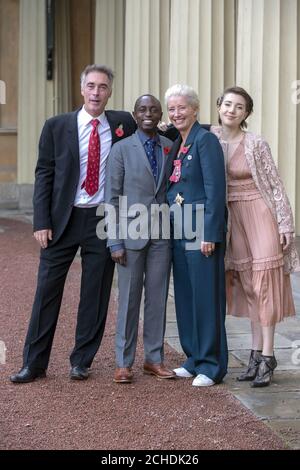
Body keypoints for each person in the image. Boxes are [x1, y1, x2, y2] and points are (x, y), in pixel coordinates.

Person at [10, 64, 136, 383]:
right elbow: (44, 175)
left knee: (95, 293)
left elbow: (155, 128)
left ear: (110, 92)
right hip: (62, 220)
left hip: (101, 220)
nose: (96, 92)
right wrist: (41, 221)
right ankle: (34, 363)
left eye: (103, 87)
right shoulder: (56, 126)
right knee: (47, 291)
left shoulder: (123, 123)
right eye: (91, 86)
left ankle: (82, 360)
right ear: (82, 89)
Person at [211, 86, 300, 387]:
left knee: (264, 282)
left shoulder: (255, 143)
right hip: (232, 218)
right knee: (248, 284)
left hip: (260, 213)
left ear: (246, 113)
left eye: (239, 107)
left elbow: (275, 185)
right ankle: (254, 354)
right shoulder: (209, 139)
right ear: (219, 106)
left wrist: (286, 225)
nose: (231, 110)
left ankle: (269, 355)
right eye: (227, 104)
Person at [105, 94, 175, 383]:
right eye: (143, 109)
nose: (148, 113)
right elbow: (112, 197)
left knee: (157, 299)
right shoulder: (121, 149)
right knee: (129, 300)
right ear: (134, 115)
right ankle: (124, 362)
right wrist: (114, 240)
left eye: (154, 109)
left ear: (160, 115)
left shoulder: (171, 147)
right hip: (130, 235)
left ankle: (154, 359)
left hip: (163, 235)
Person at [164, 84, 228, 387]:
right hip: (180, 229)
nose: (177, 113)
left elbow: (216, 191)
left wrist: (211, 233)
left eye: (182, 107)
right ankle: (193, 357)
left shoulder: (206, 141)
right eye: (172, 109)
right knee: (187, 297)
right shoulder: (179, 141)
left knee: (206, 298)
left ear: (195, 109)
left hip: (201, 230)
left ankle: (212, 364)